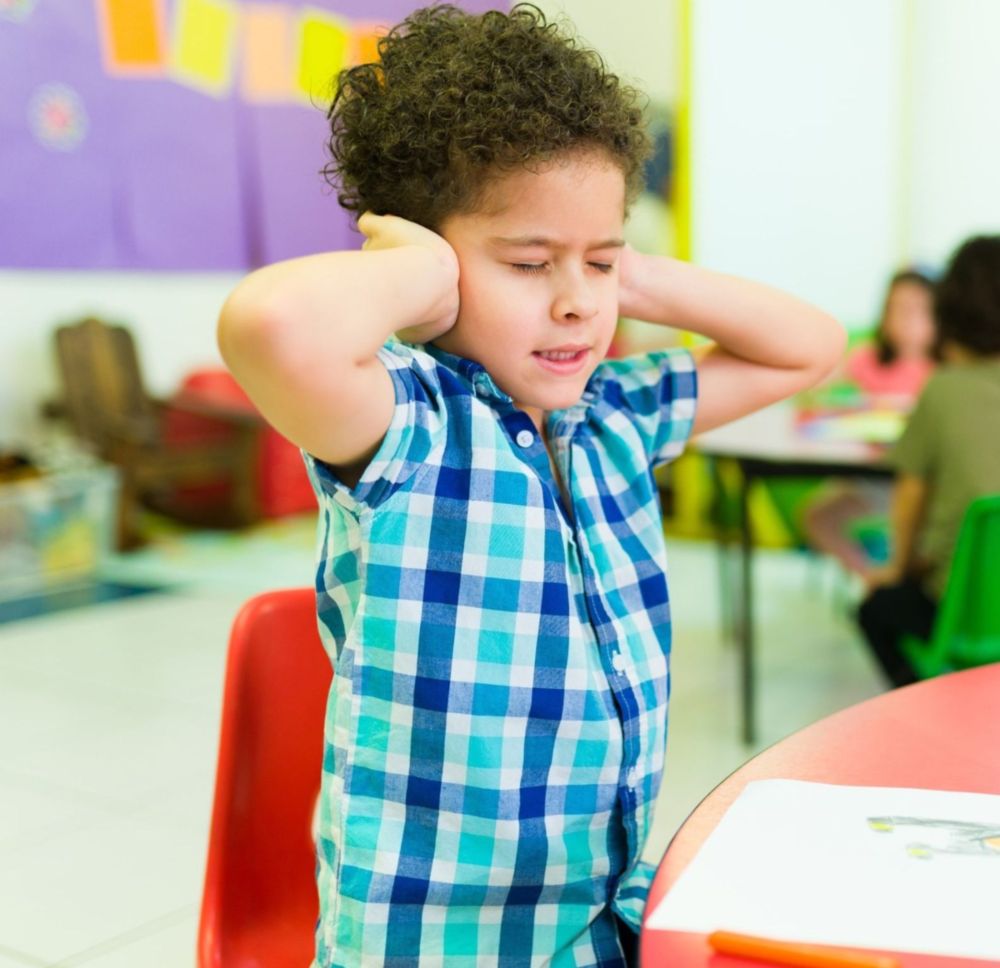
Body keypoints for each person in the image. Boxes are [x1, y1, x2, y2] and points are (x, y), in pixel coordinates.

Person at [217, 6, 843, 965]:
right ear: (426, 267)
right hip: (435, 944)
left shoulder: (613, 420)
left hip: (598, 921)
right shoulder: (408, 424)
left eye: (599, 260)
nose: (576, 301)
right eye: (527, 262)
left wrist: (621, 272)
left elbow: (811, 346)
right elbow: (271, 326)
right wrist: (421, 270)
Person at [858, 235, 1000, 688]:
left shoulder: (943, 391)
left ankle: (929, 702)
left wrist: (898, 568)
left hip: (967, 613)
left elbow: (911, 496)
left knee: (877, 608)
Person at [802, 270, 937, 577]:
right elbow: (814, 392)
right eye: (896, 308)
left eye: (916, 309)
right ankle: (872, 579)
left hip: (918, 481)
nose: (905, 319)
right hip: (868, 477)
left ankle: (902, 578)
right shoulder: (868, 358)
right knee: (817, 517)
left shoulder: (942, 369)